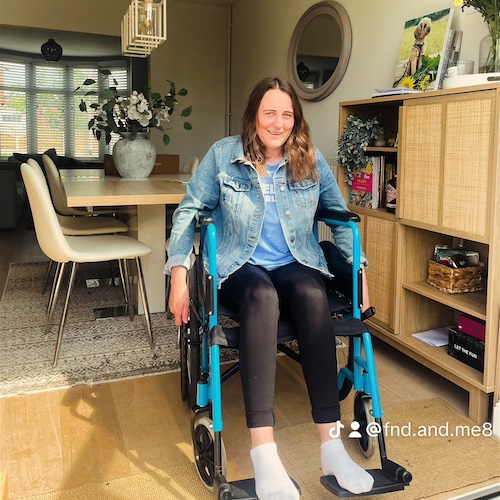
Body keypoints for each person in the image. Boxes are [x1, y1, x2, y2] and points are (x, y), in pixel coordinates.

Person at [166, 76, 374, 499]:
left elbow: (339, 218)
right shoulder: (224, 156)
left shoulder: (311, 159)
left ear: (294, 119)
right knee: (262, 297)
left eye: (286, 114)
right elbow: (190, 211)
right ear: (254, 117)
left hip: (296, 261)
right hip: (240, 266)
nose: (278, 123)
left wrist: (360, 273)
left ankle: (332, 448)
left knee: (314, 295)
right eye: (269, 113)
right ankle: (264, 455)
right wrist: (179, 273)